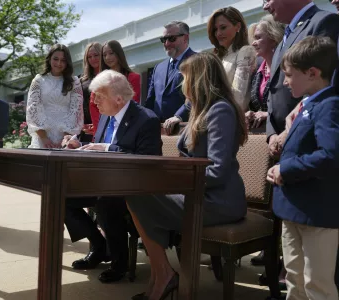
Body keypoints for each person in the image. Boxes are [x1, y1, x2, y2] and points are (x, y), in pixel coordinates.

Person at [127, 52, 248, 300]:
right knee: (135, 193)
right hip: (197, 193)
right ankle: (161, 275)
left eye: (185, 78)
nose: (182, 85)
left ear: (199, 79)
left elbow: (217, 170)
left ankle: (163, 276)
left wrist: (171, 180)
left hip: (218, 201)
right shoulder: (201, 110)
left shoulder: (220, 111)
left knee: (137, 196)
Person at [62, 70, 162, 284]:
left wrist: (108, 147)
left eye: (99, 95)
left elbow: (149, 159)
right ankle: (100, 247)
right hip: (101, 181)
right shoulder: (107, 117)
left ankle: (119, 263)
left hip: (133, 187)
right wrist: (80, 146)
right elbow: (98, 149)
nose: (94, 100)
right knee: (61, 196)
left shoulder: (146, 119)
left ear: (118, 99)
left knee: (107, 201)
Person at [267, 36, 339, 300]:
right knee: (295, 279)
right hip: (294, 210)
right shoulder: (309, 105)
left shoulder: (329, 106)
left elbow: (331, 155)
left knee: (316, 283)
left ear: (312, 73)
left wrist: (285, 169)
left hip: (317, 213)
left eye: (289, 75)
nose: (285, 82)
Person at [262, 0, 339, 158]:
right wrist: (272, 134)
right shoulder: (286, 34)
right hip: (281, 144)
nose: (265, 6)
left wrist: (288, 131)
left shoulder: (323, 21)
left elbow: (321, 84)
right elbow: (274, 89)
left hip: (307, 139)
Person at [26, 44, 83, 148]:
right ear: (49, 59)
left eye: (63, 60)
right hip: (42, 138)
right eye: (55, 59)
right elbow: (32, 110)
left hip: (65, 140)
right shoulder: (38, 81)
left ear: (67, 62)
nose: (59, 63)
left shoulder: (74, 82)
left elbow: (76, 111)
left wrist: (65, 139)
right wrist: (44, 138)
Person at [144, 21, 196, 134]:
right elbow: (151, 101)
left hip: (186, 130)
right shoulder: (158, 67)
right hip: (158, 133)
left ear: (185, 38)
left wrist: (179, 116)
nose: (167, 43)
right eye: (163, 39)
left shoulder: (198, 61)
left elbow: (199, 94)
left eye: (171, 38)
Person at [208, 6, 257, 112]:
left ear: (238, 26)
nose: (218, 33)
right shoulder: (219, 56)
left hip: (231, 118)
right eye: (215, 29)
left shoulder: (245, 51)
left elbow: (240, 97)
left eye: (223, 27)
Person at [89, 40, 141, 134]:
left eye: (111, 53)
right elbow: (94, 107)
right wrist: (99, 133)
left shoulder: (133, 77)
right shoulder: (99, 80)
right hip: (103, 130)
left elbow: (132, 104)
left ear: (118, 54)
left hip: (126, 128)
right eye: (104, 55)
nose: (108, 57)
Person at [246, 15, 285, 130]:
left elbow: (293, 104)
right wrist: (251, 113)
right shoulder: (257, 71)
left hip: (284, 132)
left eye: (258, 38)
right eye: (254, 38)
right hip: (262, 135)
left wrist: (268, 114)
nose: (253, 43)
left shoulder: (286, 68)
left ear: (273, 39)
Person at [80, 42, 102, 126]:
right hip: (87, 126)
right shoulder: (82, 80)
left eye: (96, 55)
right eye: (89, 57)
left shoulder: (110, 76)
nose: (93, 59)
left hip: (105, 124)